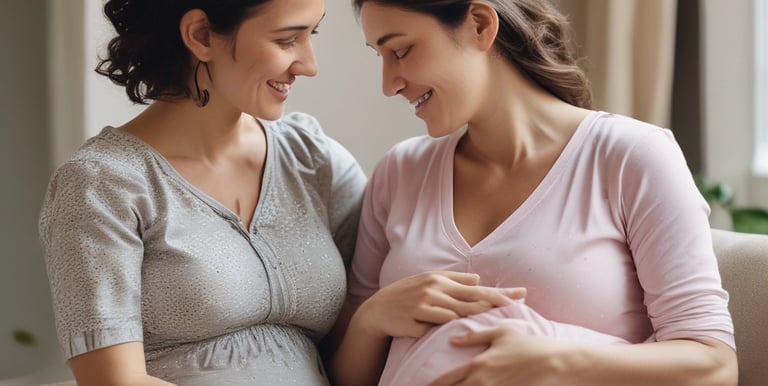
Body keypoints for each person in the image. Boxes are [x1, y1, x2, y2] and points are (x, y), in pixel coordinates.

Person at [329, 1, 738, 385]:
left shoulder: (631, 157)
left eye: (399, 51)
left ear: (480, 25)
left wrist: (554, 360)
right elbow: (346, 377)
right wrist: (373, 317)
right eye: (378, 56)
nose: (389, 84)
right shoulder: (400, 172)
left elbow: (714, 364)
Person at [38, 0, 369, 385]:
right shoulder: (102, 184)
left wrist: (376, 320)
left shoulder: (314, 159)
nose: (309, 65)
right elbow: (113, 381)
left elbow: (359, 334)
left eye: (310, 35)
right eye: (286, 40)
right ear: (201, 35)